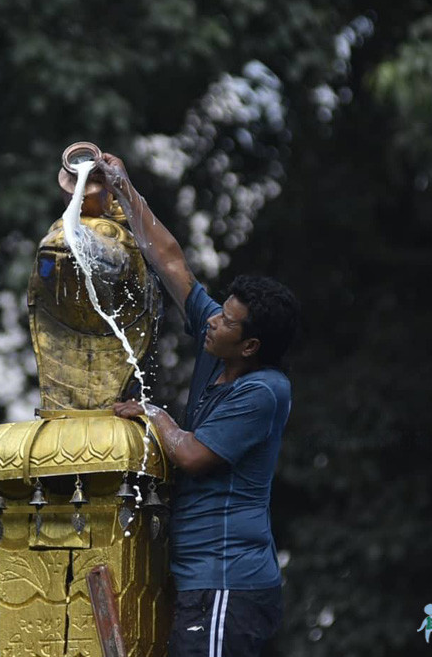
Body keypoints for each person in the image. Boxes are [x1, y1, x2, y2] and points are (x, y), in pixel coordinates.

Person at [100, 152, 299, 657]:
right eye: (220, 313)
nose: (212, 322)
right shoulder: (220, 352)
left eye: (227, 322)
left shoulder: (264, 391)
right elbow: (170, 261)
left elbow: (191, 456)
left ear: (250, 345)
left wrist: (154, 415)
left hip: (228, 585)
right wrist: (125, 188)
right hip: (199, 582)